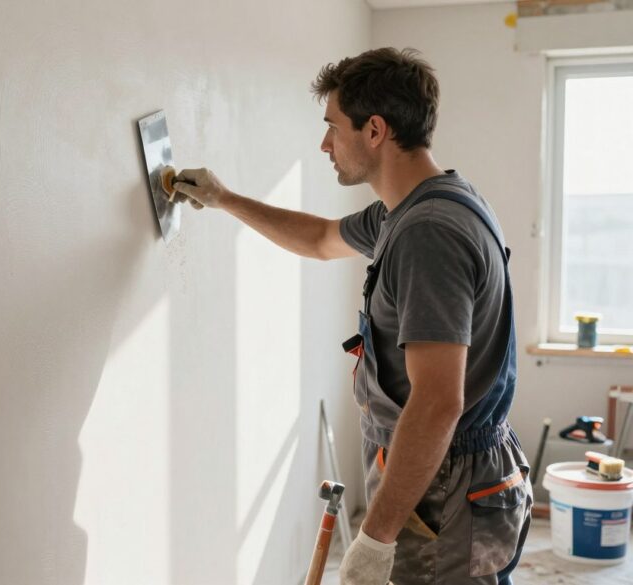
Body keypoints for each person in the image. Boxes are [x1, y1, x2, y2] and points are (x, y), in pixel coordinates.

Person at [170, 48, 532, 585]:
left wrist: (375, 539)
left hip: (445, 489)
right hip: (443, 475)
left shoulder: (427, 234)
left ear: (376, 130)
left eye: (332, 127)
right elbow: (319, 238)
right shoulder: (410, 209)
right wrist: (225, 199)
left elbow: (436, 402)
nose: (324, 144)